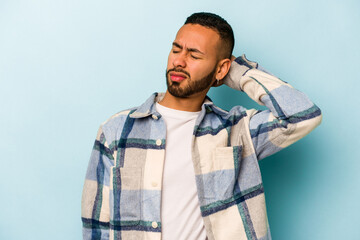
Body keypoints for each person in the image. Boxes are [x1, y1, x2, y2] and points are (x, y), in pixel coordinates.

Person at [81, 12, 322, 240]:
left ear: (220, 68)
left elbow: (301, 115)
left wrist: (237, 73)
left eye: (194, 55)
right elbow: (96, 226)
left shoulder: (237, 131)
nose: (180, 61)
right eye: (176, 49)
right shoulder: (117, 130)